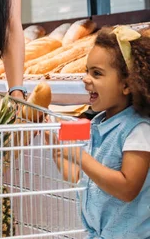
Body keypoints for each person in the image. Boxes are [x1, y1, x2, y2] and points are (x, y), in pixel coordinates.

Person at [52, 26, 150, 239]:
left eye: (96, 73)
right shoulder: (99, 123)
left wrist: (79, 156)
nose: (86, 79)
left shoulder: (138, 129)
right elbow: (81, 177)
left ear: (127, 85)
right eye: (87, 71)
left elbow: (127, 188)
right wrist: (60, 152)